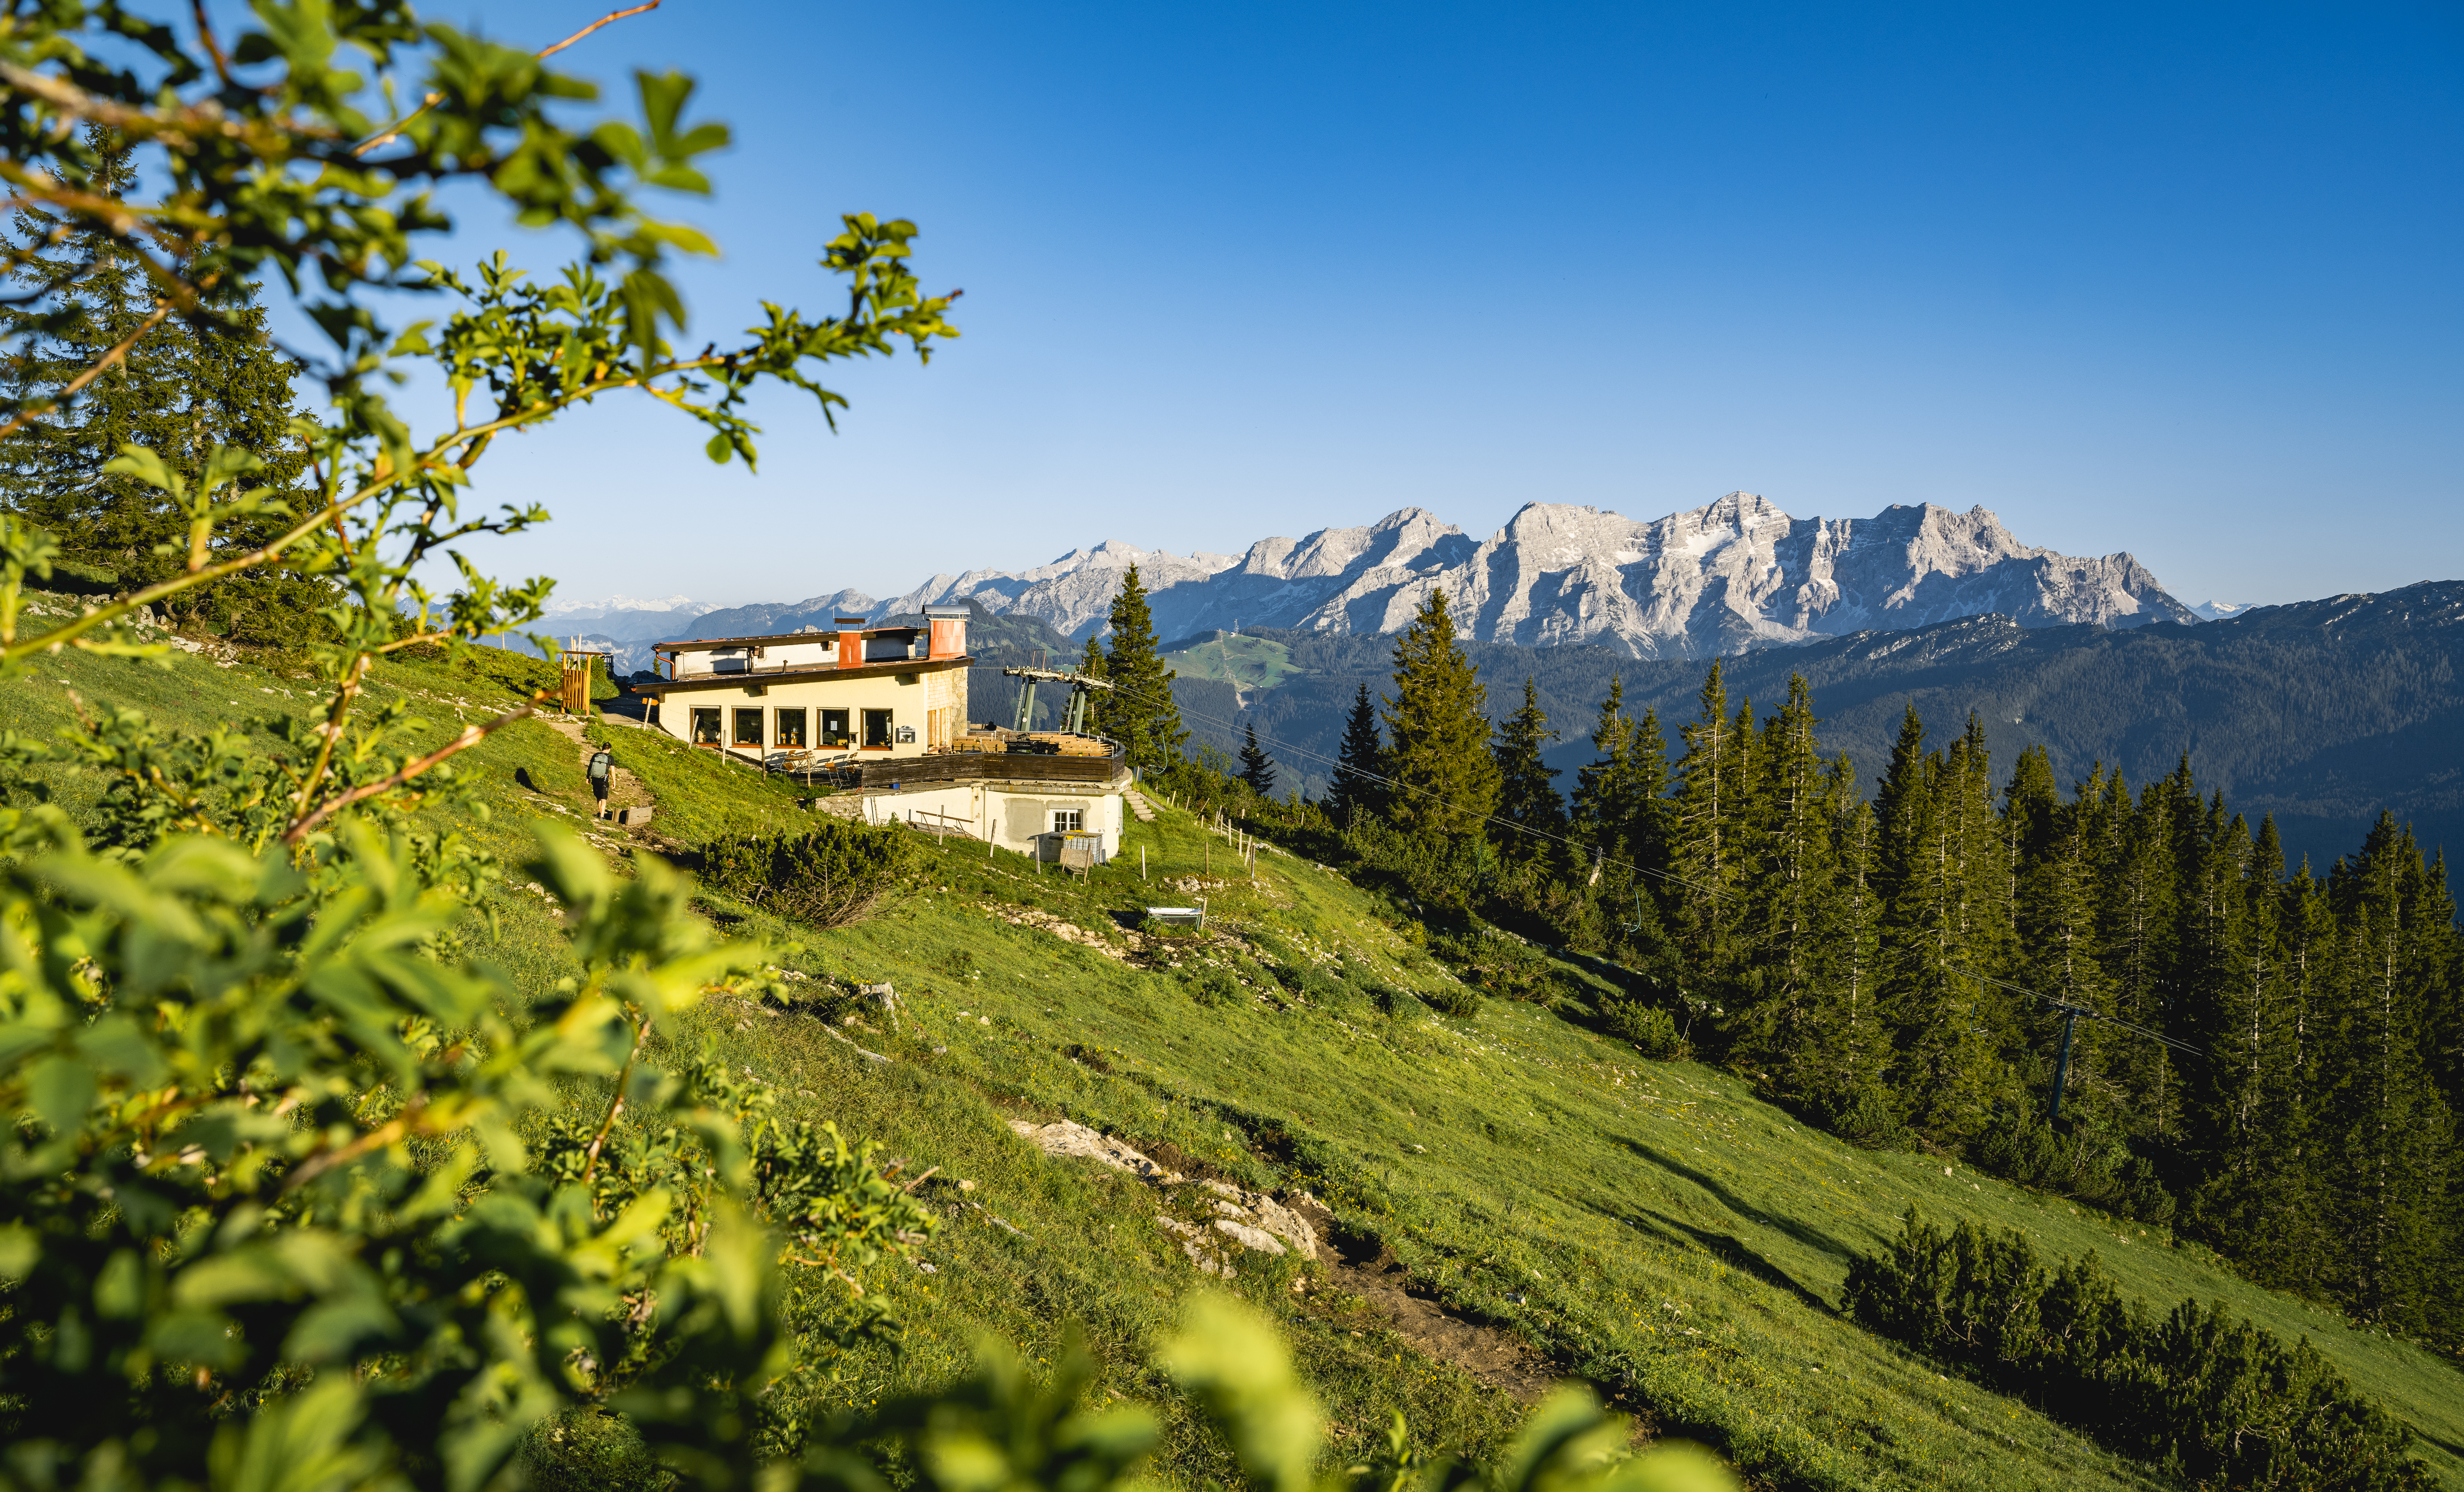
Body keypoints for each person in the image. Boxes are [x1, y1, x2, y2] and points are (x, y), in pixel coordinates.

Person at [587, 747, 614, 819]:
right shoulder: (610, 758)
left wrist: (588, 777)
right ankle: (602, 816)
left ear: (603, 748)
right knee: (604, 799)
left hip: (595, 779)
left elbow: (590, 767)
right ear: (609, 749)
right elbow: (613, 771)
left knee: (599, 797)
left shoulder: (596, 755)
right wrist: (614, 781)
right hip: (603, 780)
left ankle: (600, 812)